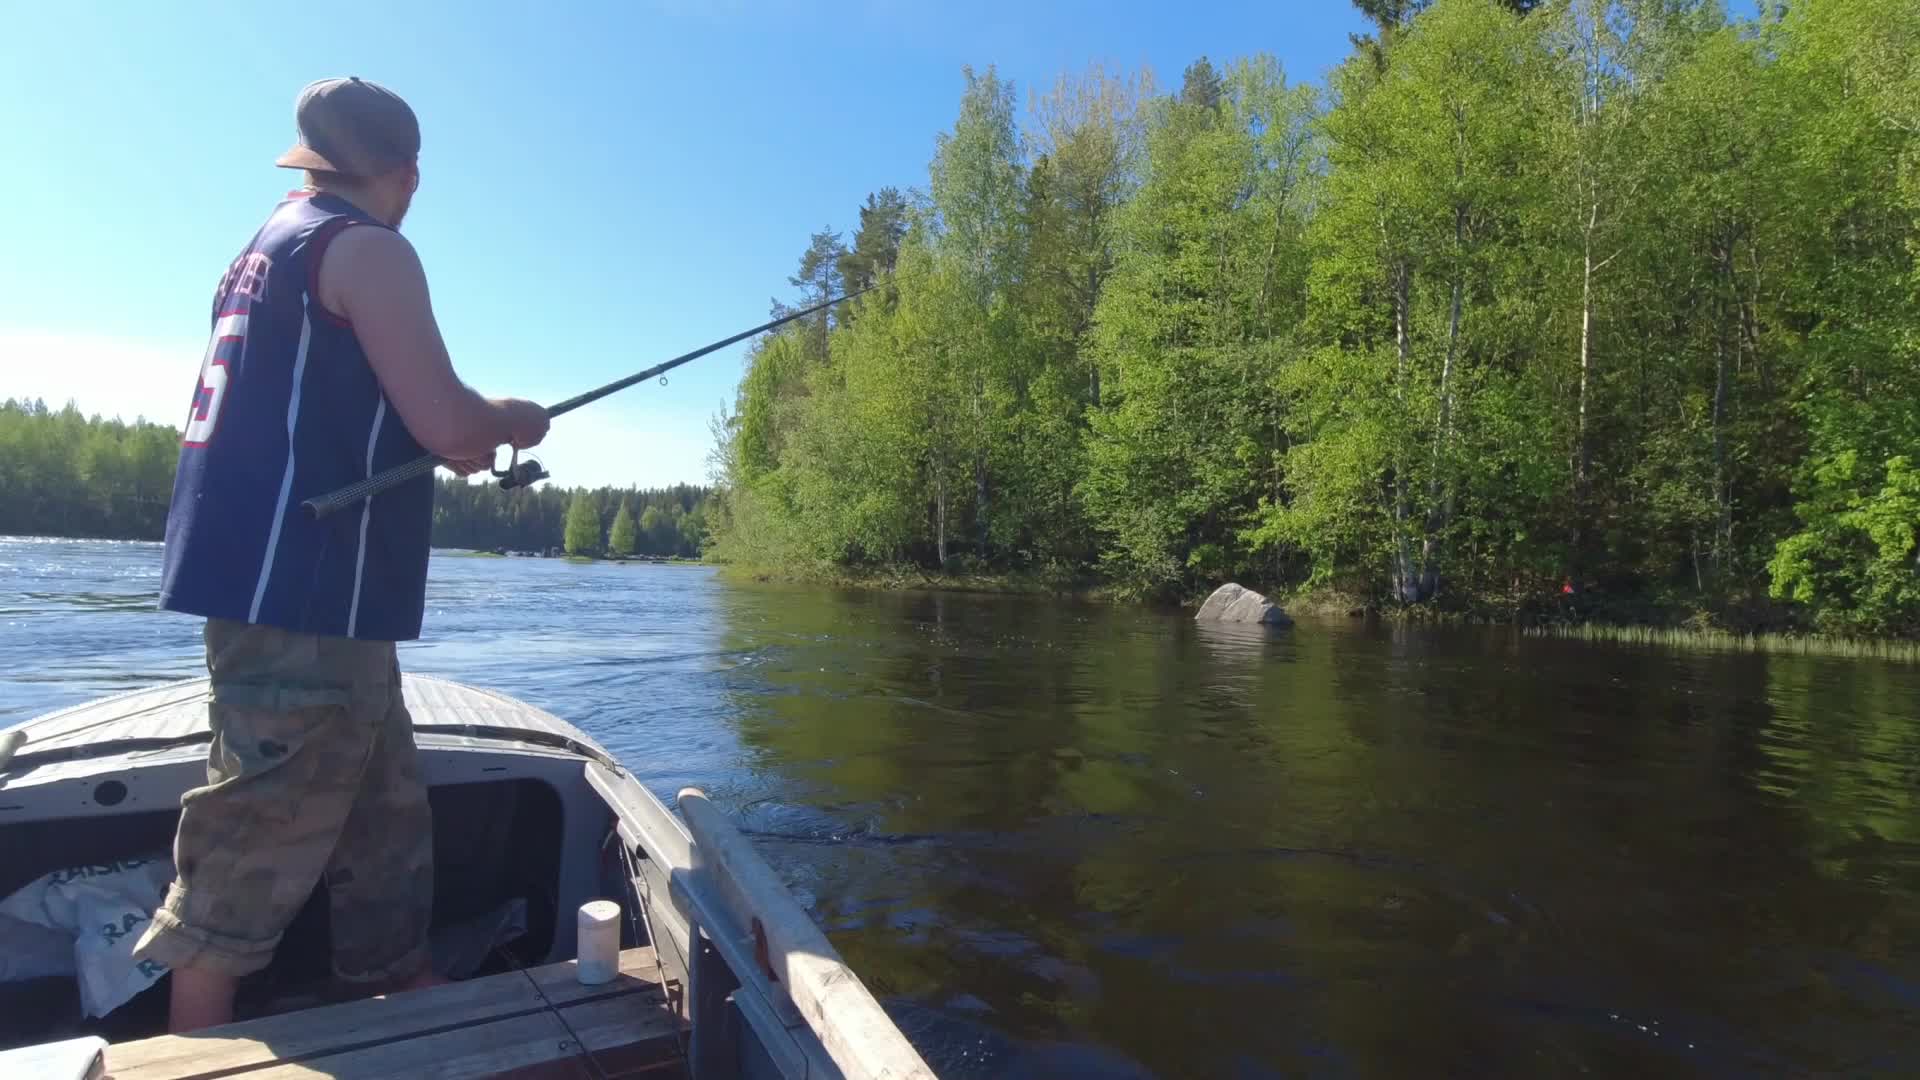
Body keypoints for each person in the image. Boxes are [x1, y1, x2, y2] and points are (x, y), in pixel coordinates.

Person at [130, 76, 550, 1032]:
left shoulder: (262, 251)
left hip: (302, 591)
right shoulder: (368, 248)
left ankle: (391, 978)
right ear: (402, 174)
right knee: (255, 831)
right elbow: (446, 420)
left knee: (381, 801)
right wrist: (518, 420)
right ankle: (195, 1047)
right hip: (306, 591)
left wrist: (456, 431)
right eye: (412, 181)